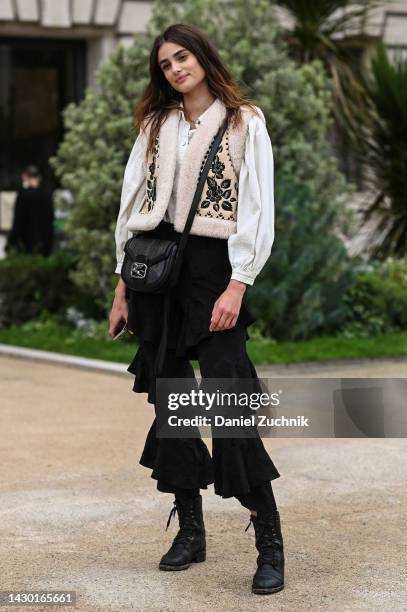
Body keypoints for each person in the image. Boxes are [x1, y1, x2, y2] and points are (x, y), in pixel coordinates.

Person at [109, 23, 285, 595]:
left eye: (182, 57)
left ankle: (269, 543)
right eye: (165, 64)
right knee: (173, 406)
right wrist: (121, 287)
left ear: (203, 58)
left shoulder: (244, 121)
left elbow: (257, 207)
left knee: (229, 401)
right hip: (157, 277)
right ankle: (191, 530)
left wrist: (239, 284)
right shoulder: (156, 125)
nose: (176, 69)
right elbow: (132, 200)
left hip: (215, 273)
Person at [6, 164, 54, 257]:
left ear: (25, 176)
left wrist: (12, 239)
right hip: (46, 239)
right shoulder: (47, 193)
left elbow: (19, 219)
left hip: (27, 240)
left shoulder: (23, 194)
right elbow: (51, 217)